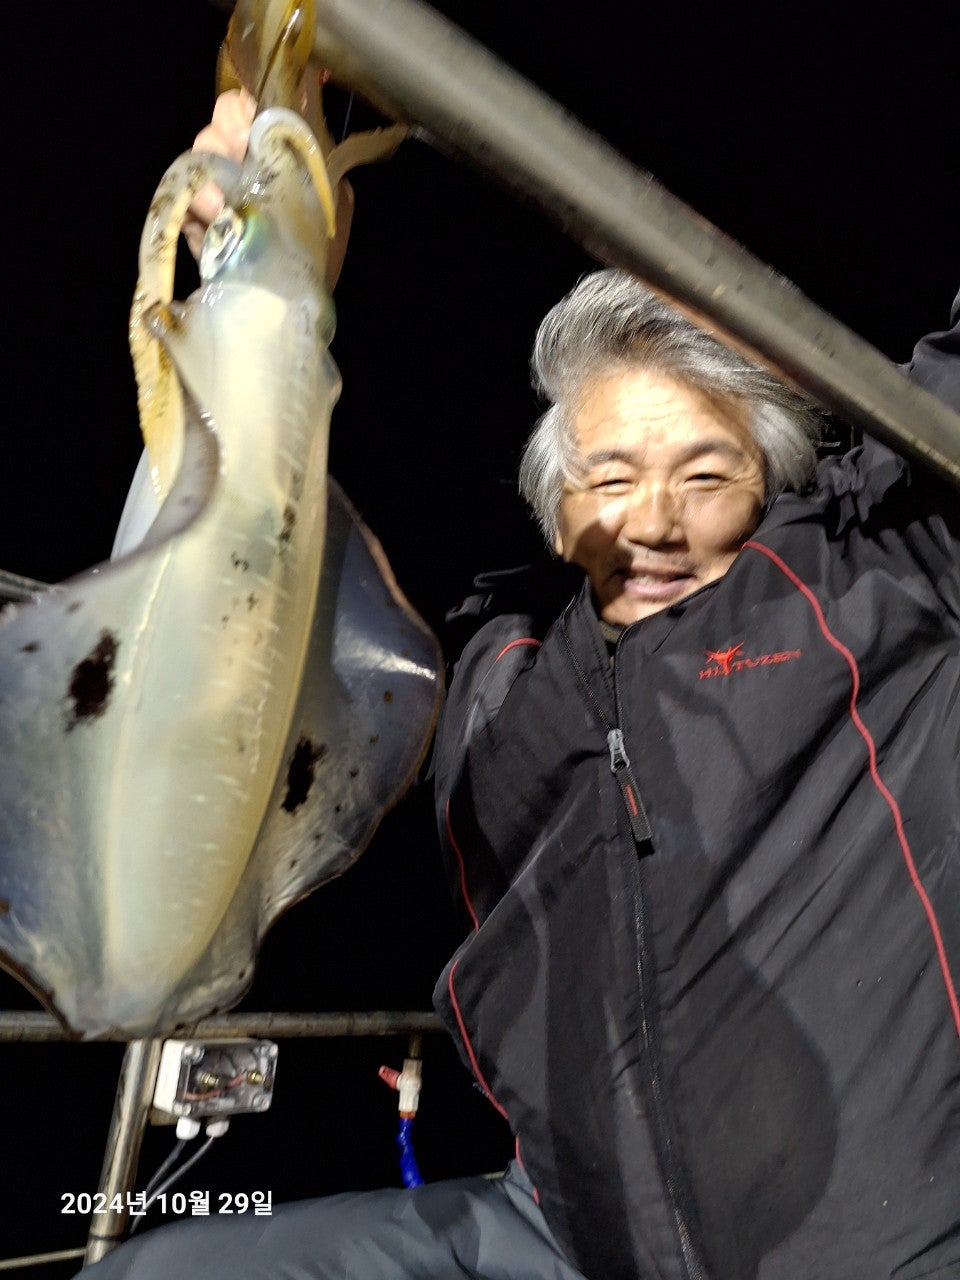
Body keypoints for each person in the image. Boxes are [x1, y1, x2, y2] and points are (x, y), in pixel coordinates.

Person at [80, 95, 959, 1280]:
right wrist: (261, 279)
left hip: (874, 1242)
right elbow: (246, 590)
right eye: (612, 475)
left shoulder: (875, 572)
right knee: (160, 1272)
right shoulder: (489, 669)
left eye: (707, 475)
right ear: (555, 504)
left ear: (771, 487)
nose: (653, 522)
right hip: (565, 1231)